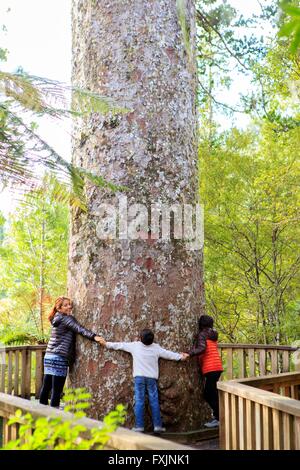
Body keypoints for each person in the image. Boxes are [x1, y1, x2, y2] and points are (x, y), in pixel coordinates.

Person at [98, 328, 189, 433]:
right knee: (154, 402)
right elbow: (168, 354)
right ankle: (158, 426)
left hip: (139, 378)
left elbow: (120, 345)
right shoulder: (156, 348)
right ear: (153, 339)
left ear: (140, 338)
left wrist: (106, 344)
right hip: (152, 378)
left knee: (139, 401)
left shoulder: (135, 346)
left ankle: (139, 427)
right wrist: (181, 357)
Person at [39, 296, 102, 408]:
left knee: (46, 386)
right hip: (59, 357)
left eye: (69, 304)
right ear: (59, 308)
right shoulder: (67, 318)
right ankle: (53, 417)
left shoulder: (56, 318)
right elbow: (79, 329)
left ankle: (38, 413)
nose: (69, 307)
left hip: (49, 356)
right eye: (66, 305)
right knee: (56, 391)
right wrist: (94, 337)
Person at [188, 315, 223, 428]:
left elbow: (202, 348)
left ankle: (219, 418)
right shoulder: (212, 334)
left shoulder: (202, 334)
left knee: (208, 394)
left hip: (211, 367)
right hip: (216, 367)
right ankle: (219, 416)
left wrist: (189, 353)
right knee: (212, 393)